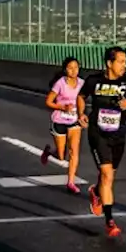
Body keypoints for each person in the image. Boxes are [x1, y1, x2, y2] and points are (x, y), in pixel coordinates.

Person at [77, 46, 126, 238]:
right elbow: (81, 97)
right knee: (106, 175)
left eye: (125, 61)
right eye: (121, 61)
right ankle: (110, 221)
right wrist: (81, 114)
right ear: (109, 63)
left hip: (118, 135)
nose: (125, 65)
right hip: (98, 133)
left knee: (109, 176)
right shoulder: (94, 80)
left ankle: (96, 191)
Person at [40, 57, 82, 194]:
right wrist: (62, 107)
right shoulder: (60, 83)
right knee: (61, 155)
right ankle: (48, 152)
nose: (73, 70)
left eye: (76, 67)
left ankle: (70, 182)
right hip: (59, 120)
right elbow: (48, 102)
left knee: (74, 152)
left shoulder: (82, 83)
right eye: (70, 68)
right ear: (65, 69)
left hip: (75, 121)